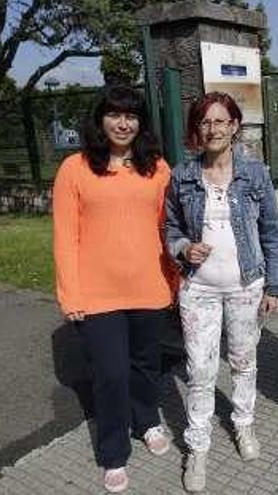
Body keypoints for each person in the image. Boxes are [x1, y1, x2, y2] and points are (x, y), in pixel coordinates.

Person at [52, 85, 177, 493]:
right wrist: (70, 294)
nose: (123, 123)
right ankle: (112, 450)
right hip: (97, 293)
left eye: (132, 115)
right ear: (100, 118)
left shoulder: (157, 167)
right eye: (115, 114)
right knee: (110, 373)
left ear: (141, 123)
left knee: (145, 366)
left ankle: (147, 419)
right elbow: (65, 235)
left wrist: (174, 280)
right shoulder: (75, 168)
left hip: (150, 286)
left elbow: (169, 229)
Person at [164, 92, 278, 492]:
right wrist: (184, 248)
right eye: (204, 122)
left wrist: (274, 284)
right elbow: (170, 229)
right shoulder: (182, 176)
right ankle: (198, 447)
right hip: (198, 289)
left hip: (245, 287)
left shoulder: (255, 173)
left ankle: (243, 425)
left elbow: (271, 232)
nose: (212, 129)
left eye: (220, 121)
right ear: (197, 129)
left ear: (234, 126)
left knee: (243, 362)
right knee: (200, 371)